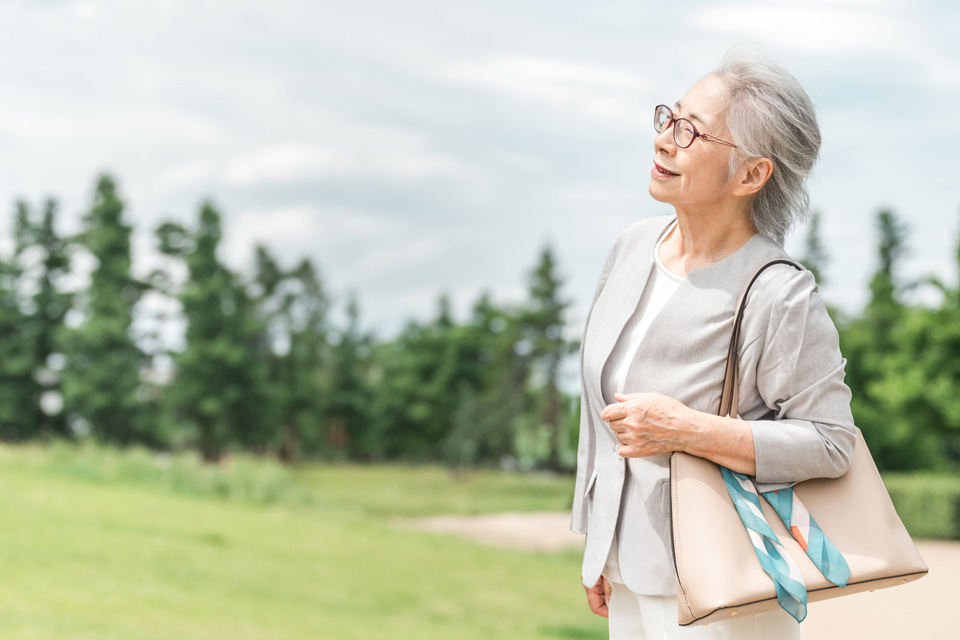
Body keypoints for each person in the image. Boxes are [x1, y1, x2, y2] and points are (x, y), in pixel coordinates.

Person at [569, 47, 858, 640]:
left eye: (692, 132)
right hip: (627, 573)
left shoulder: (780, 293)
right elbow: (595, 409)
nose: (664, 141)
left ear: (751, 175)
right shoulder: (631, 247)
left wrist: (688, 429)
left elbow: (832, 444)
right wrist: (600, 542)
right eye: (669, 118)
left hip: (724, 587)